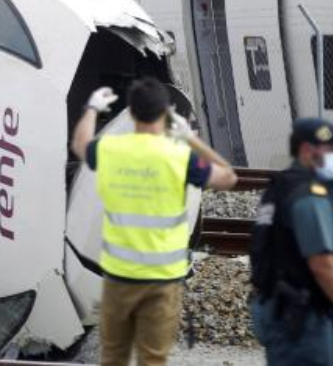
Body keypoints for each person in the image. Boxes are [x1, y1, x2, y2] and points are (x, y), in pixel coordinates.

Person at [70, 77, 237, 366]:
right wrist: (190, 138)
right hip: (161, 278)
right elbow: (228, 176)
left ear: (131, 113)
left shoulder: (113, 152)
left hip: (119, 276)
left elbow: (80, 145)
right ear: (164, 115)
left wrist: (93, 108)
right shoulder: (180, 157)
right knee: (152, 356)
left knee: (114, 355)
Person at [249, 117, 333, 365]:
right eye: (329, 149)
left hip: (278, 312)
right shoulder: (308, 196)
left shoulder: (278, 188)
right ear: (308, 149)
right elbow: (322, 264)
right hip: (305, 323)